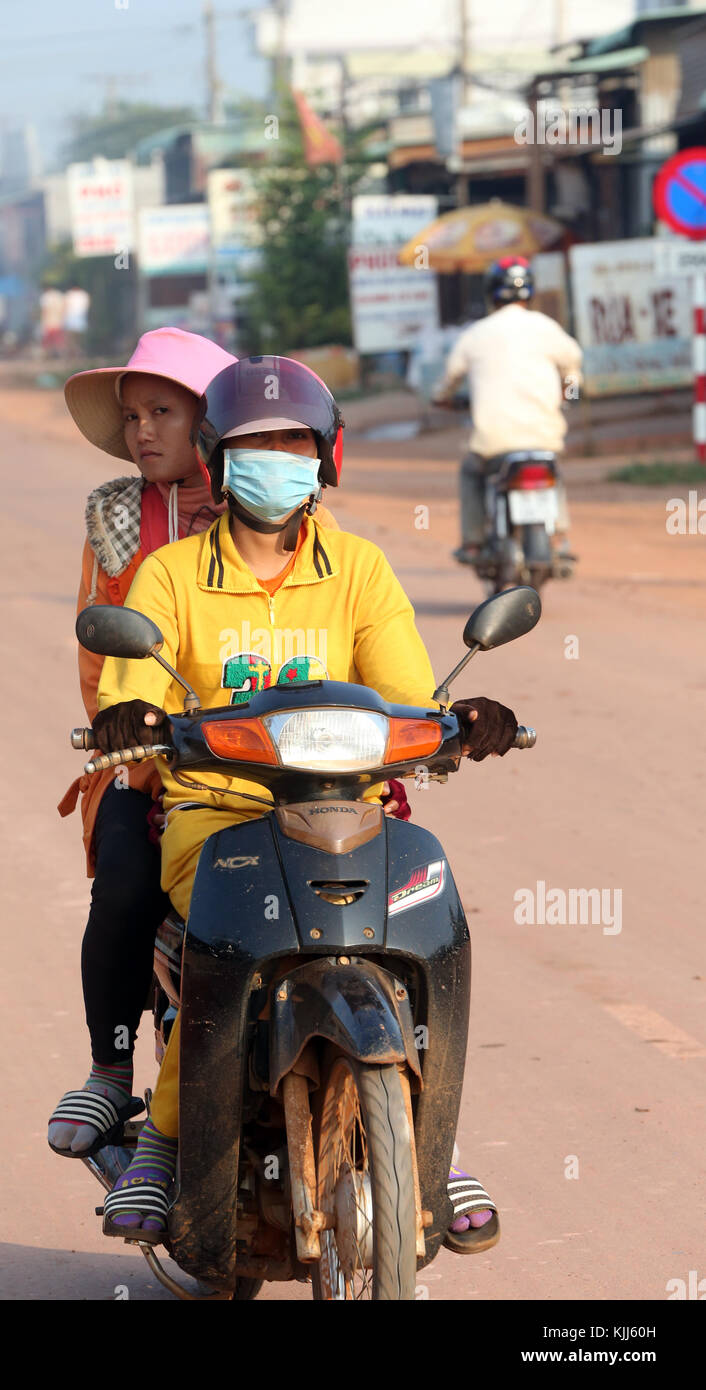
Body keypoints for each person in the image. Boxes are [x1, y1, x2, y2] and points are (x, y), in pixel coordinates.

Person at [91, 356, 514, 1251]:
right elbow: (128, 688)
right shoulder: (167, 576)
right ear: (216, 460)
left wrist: (463, 723)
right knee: (225, 951)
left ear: (324, 456)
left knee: (429, 916)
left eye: (292, 442)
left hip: (350, 810)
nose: (274, 458)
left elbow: (409, 697)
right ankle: (164, 1143)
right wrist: (131, 714)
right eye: (253, 444)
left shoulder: (359, 569)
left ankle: (434, 1138)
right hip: (215, 813)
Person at [48, 331, 385, 1164]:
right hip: (161, 763)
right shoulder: (122, 525)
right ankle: (110, 1070)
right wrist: (128, 738)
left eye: (162, 412)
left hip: (302, 771)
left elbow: (378, 661)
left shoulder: (318, 537)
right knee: (125, 888)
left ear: (211, 425)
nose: (143, 433)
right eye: (133, 418)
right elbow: (106, 656)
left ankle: (416, 1114)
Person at [432, 256, 582, 565]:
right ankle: (558, 535)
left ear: (490, 293)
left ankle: (473, 541)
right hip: (544, 436)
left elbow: (448, 381)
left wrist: (442, 398)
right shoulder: (547, 327)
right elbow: (573, 364)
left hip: (493, 442)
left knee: (471, 472)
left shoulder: (475, 334)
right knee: (553, 470)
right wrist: (570, 390)